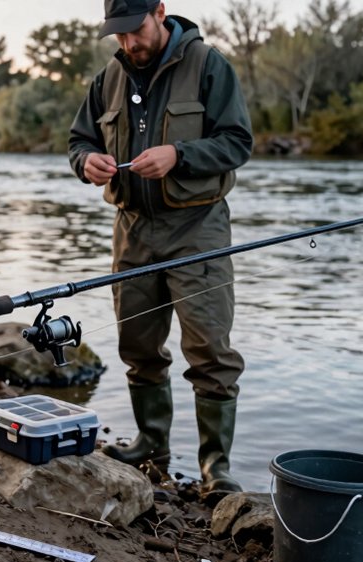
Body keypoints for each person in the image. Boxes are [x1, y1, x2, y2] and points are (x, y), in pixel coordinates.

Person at [68, 0, 253, 495]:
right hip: (131, 229)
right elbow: (77, 140)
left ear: (160, 11)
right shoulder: (108, 77)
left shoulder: (209, 64)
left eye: (136, 30)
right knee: (138, 347)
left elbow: (238, 142)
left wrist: (179, 155)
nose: (130, 43)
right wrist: (86, 161)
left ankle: (215, 467)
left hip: (198, 228)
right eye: (120, 35)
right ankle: (152, 446)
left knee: (209, 349)